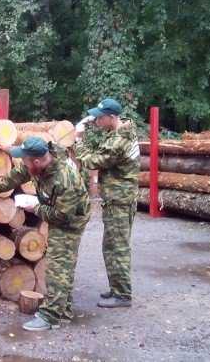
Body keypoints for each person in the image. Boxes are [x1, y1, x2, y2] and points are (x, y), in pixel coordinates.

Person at [0, 136, 91, 331]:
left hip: (70, 221)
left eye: (25, 159)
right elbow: (20, 173)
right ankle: (63, 311)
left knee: (58, 266)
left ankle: (51, 317)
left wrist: (34, 207)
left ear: (36, 161)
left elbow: (62, 216)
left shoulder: (64, 178)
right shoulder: (38, 164)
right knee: (62, 264)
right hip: (59, 211)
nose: (23, 162)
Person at [74, 98, 140, 308]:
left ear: (112, 117)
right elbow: (101, 150)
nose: (96, 120)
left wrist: (78, 138)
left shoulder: (119, 141)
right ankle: (117, 288)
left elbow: (91, 160)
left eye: (100, 117)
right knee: (111, 246)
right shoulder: (120, 131)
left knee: (117, 247)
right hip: (119, 198)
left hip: (120, 200)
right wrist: (91, 123)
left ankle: (122, 295)